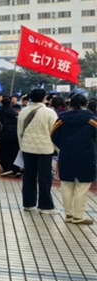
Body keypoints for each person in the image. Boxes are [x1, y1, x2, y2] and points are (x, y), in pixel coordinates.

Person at [51, 94, 96, 225]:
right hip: (86, 156)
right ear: (85, 104)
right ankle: (79, 216)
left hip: (67, 155)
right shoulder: (92, 119)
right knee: (82, 186)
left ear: (70, 104)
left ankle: (68, 214)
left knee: (66, 184)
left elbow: (53, 135)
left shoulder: (62, 118)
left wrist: (63, 146)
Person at [17, 88, 59, 214]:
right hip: (45, 149)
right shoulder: (50, 112)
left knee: (29, 176)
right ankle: (45, 206)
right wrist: (57, 149)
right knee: (44, 177)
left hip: (27, 148)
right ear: (44, 98)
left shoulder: (23, 111)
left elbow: (19, 131)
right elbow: (55, 132)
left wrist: (22, 146)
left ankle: (28, 204)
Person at [0, 97, 21, 177]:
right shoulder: (15, 112)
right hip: (15, 135)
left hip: (4, 135)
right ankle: (16, 169)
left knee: (1, 153)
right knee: (14, 152)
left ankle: (7, 168)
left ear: (2, 103)